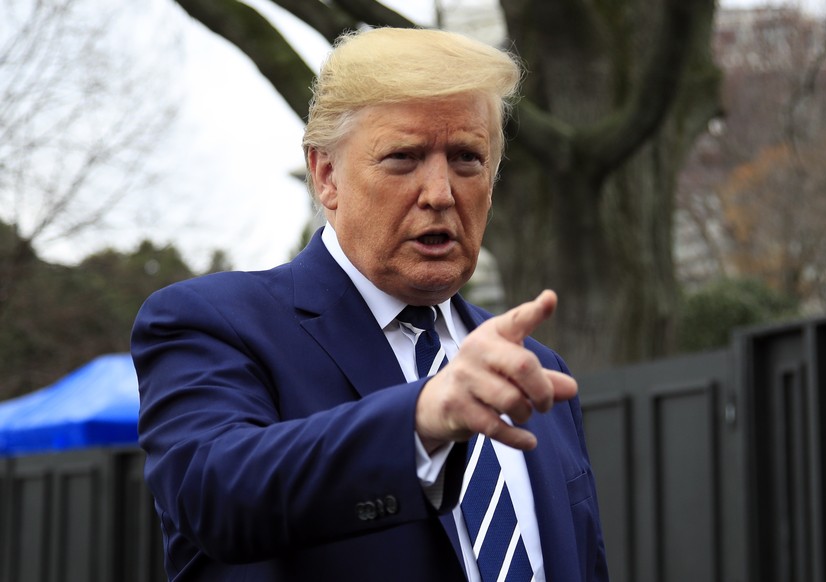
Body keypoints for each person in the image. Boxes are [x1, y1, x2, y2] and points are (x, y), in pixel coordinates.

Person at [132, 27, 609, 581]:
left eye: (466, 158)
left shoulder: (537, 372)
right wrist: (422, 418)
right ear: (326, 175)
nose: (440, 192)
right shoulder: (213, 323)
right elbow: (214, 497)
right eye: (404, 158)